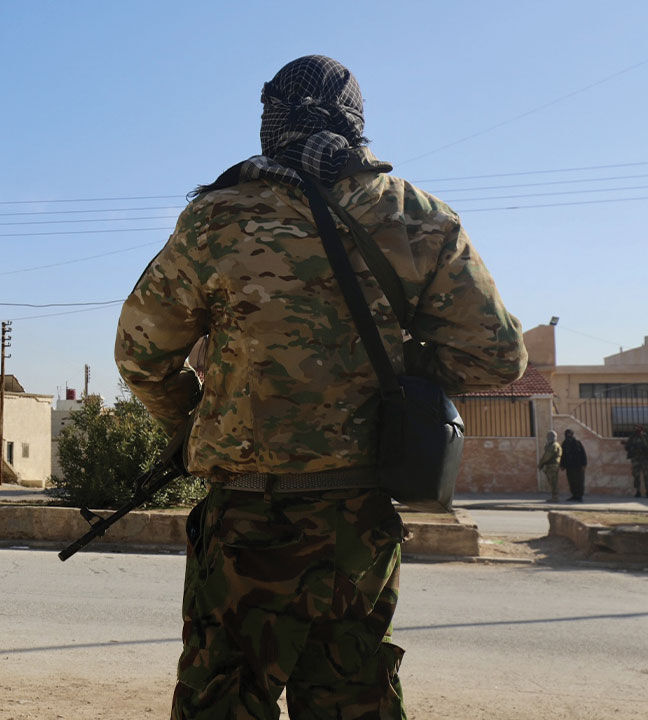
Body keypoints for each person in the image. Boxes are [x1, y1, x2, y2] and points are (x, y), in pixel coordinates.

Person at [115, 55, 527, 719]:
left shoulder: (214, 222)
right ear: (358, 125)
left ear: (270, 122)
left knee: (223, 699)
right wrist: (403, 368)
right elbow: (498, 357)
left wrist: (189, 426)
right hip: (356, 523)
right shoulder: (420, 219)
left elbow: (140, 355)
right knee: (353, 701)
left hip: (245, 520)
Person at [559, 429, 587, 502]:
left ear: (572, 434)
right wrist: (562, 465)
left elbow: (583, 454)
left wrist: (584, 464)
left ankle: (579, 496)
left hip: (578, 466)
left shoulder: (577, 443)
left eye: (569, 434)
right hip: (569, 467)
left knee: (579, 481)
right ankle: (574, 495)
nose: (568, 435)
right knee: (571, 482)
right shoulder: (564, 444)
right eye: (567, 434)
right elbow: (562, 456)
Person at [538, 431, 563, 502]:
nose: (547, 438)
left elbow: (547, 456)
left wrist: (540, 464)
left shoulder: (553, 445)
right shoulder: (553, 444)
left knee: (553, 482)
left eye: (548, 436)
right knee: (552, 482)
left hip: (552, 466)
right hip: (552, 465)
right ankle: (554, 497)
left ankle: (555, 497)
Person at [623, 425, 648, 498]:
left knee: (646, 476)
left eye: (638, 428)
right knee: (636, 476)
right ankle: (638, 491)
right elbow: (627, 447)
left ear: (642, 429)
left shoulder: (645, 437)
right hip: (635, 459)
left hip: (644, 459)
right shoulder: (632, 437)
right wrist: (629, 446)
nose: (637, 430)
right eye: (636, 429)